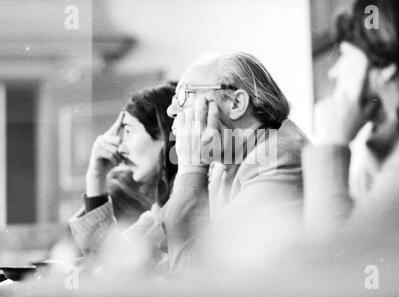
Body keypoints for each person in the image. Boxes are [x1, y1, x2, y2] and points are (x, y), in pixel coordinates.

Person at [303, 0, 399, 239]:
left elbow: (337, 259)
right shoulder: (382, 146)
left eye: (346, 54)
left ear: (386, 63)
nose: (333, 71)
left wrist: (331, 143)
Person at [159, 52, 309, 270]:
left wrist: (190, 164)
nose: (171, 110)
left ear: (235, 102)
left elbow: (195, 273)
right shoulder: (226, 161)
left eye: (185, 95)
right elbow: (156, 247)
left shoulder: (279, 160)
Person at [69, 82, 177, 255]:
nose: (121, 148)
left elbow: (110, 266)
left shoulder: (186, 208)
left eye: (129, 132)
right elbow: (109, 260)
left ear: (166, 134)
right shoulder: (158, 213)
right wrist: (96, 177)